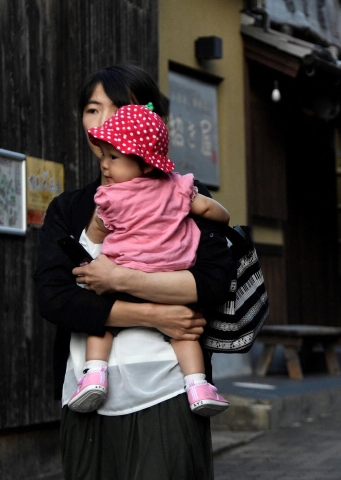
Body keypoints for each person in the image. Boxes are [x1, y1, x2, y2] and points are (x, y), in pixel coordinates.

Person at [34, 64, 231, 480]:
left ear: (150, 120)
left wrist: (120, 280)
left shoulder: (185, 194)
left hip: (170, 391)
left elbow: (212, 284)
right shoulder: (70, 208)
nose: (103, 121)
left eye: (118, 107)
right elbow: (56, 297)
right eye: (91, 109)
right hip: (87, 397)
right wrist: (155, 314)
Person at [65, 102, 231, 418]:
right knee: (183, 333)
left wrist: (90, 260)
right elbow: (210, 210)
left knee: (101, 326)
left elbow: (94, 237)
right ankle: (198, 385)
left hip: (122, 272)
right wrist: (225, 218)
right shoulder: (178, 188)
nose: (105, 165)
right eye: (104, 156)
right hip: (170, 276)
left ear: (145, 165)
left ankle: (94, 374)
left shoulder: (109, 198)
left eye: (114, 158)